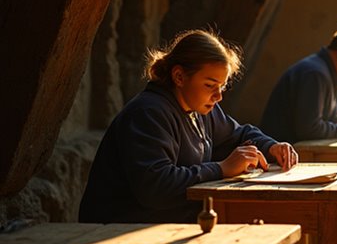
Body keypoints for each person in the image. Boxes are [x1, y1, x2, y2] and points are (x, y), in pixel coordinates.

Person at [79, 30, 297, 226]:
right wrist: (221, 169)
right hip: (121, 227)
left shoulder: (201, 109)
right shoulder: (148, 113)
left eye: (222, 86)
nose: (218, 96)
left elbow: (239, 134)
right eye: (210, 85)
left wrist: (272, 147)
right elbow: (157, 188)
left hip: (163, 221)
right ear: (179, 76)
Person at [260, 23, 337, 142]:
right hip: (278, 155)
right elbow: (310, 129)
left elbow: (323, 118)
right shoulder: (315, 74)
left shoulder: (327, 73)